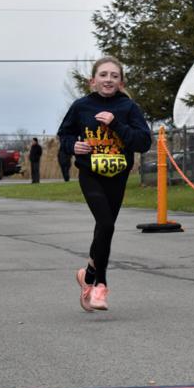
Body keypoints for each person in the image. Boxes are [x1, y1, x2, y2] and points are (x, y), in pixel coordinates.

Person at [58, 56, 151, 311]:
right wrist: (72, 145)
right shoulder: (81, 106)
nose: (108, 79)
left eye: (114, 75)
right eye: (103, 75)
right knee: (106, 223)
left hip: (118, 176)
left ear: (121, 81)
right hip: (91, 174)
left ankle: (87, 275)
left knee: (105, 229)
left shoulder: (128, 107)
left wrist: (117, 124)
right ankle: (100, 286)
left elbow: (143, 142)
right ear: (92, 81)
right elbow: (64, 134)